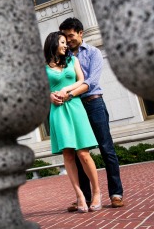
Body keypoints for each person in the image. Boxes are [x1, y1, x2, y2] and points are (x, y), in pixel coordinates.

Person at [57, 17, 124, 210]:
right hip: (74, 108)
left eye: (71, 36)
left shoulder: (93, 52)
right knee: (79, 152)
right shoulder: (64, 57)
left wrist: (68, 94)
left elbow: (91, 82)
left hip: (93, 103)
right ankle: (85, 198)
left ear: (80, 33)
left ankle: (115, 193)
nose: (68, 40)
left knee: (106, 148)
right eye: (65, 37)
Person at [44, 31, 102, 213]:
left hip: (75, 107)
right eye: (62, 42)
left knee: (84, 154)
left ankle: (97, 192)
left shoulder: (72, 61)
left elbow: (82, 80)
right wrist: (50, 97)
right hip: (58, 111)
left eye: (65, 42)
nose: (65, 45)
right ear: (53, 44)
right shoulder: (43, 67)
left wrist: (65, 89)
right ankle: (79, 196)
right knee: (68, 155)